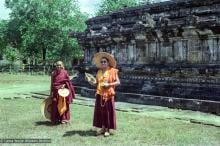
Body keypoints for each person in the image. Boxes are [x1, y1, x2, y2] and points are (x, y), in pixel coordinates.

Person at [88, 52, 120, 137]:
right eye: (101, 62)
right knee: (100, 112)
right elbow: (96, 83)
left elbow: (118, 82)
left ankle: (108, 129)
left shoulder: (113, 71)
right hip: (99, 94)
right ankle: (102, 127)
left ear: (108, 62)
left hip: (108, 94)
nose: (103, 63)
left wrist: (109, 84)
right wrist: (91, 82)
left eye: (104, 61)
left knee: (108, 112)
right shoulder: (99, 71)